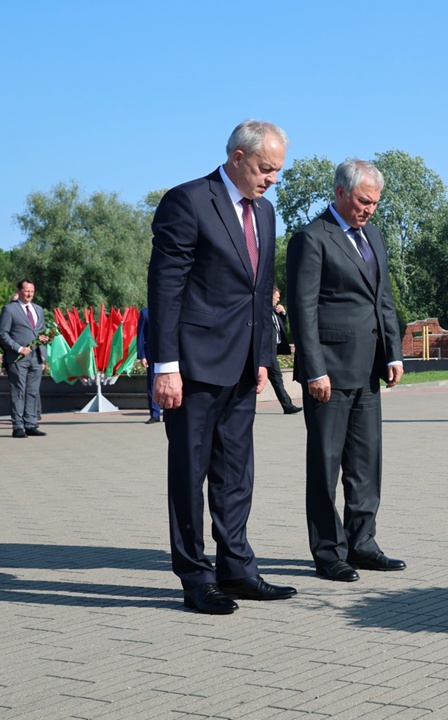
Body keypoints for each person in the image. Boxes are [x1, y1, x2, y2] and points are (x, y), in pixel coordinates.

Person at [147, 120, 296, 614]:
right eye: (265, 168)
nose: (272, 178)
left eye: (278, 170)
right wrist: (165, 365)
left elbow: (260, 290)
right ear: (236, 157)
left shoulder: (267, 212)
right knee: (189, 472)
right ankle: (195, 576)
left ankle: (237, 569)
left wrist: (262, 358)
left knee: (236, 472)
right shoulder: (188, 201)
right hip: (191, 365)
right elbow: (166, 289)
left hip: (242, 365)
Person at [286, 158, 406, 583]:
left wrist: (393, 352)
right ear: (339, 192)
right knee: (326, 465)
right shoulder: (312, 238)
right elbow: (302, 310)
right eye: (362, 200)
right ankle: (328, 552)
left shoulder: (372, 235)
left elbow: (383, 299)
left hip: (369, 370)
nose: (369, 209)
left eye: (375, 202)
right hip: (329, 376)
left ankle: (363, 544)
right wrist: (313, 370)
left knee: (366, 463)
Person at [0, 279, 49, 438]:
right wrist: (19, 348)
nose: (30, 294)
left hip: (36, 357)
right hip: (18, 358)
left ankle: (30, 424)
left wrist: (44, 339)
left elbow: (41, 330)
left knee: (33, 392)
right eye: (27, 291)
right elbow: (2, 334)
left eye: (32, 292)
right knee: (18, 391)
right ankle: (18, 426)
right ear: (19, 290)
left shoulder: (38, 309)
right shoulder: (9, 309)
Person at [267, 287, 302, 415]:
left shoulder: (274, 312)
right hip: (266, 351)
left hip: (273, 350)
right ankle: (287, 405)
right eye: (276, 296)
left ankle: (287, 405)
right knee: (276, 378)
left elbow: (278, 328)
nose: (278, 299)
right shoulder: (263, 310)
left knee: (274, 379)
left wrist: (283, 314)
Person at [136, 306, 163, 424]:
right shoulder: (145, 313)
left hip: (167, 353)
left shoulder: (167, 310)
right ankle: (155, 414)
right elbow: (141, 335)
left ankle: (169, 413)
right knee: (152, 384)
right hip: (151, 354)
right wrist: (142, 356)